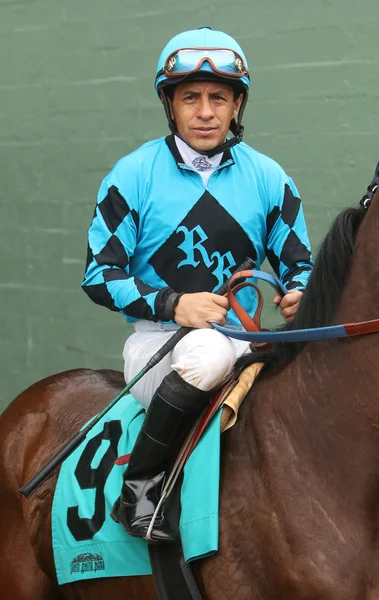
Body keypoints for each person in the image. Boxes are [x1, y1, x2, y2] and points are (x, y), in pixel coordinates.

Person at [82, 27, 313, 543]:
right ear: (171, 105)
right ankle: (140, 488)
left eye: (218, 98)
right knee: (207, 351)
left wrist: (301, 294)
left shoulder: (270, 178)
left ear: (237, 106)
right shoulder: (132, 174)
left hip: (249, 342)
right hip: (158, 345)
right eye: (190, 97)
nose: (205, 112)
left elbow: (301, 262)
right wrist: (173, 303)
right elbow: (99, 276)